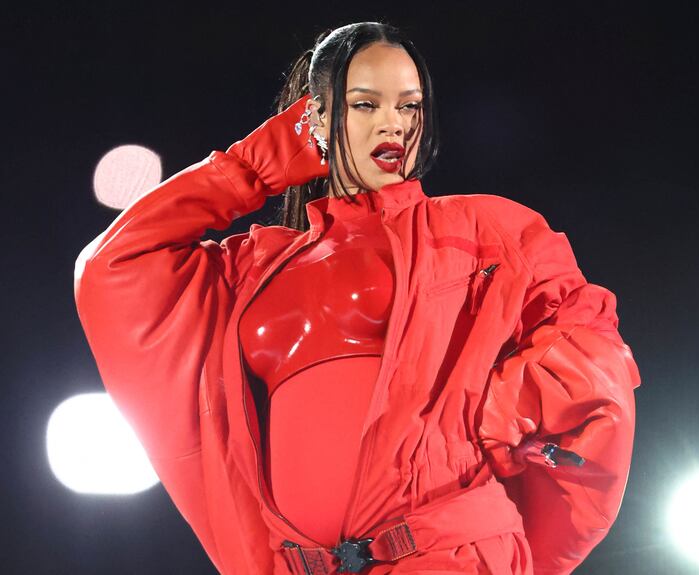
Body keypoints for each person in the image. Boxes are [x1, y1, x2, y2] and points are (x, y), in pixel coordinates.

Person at [74, 21, 641, 575]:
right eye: (366, 105)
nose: (392, 125)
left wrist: (494, 410)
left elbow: (593, 351)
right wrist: (257, 164)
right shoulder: (254, 267)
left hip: (450, 554)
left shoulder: (487, 228)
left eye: (409, 106)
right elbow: (114, 265)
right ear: (315, 115)